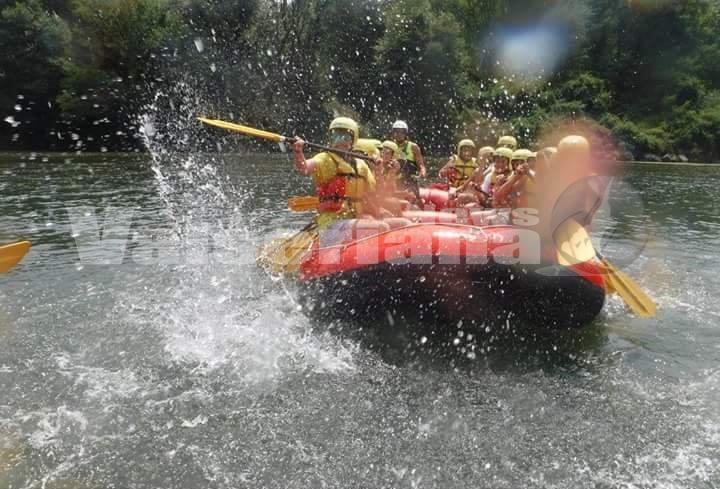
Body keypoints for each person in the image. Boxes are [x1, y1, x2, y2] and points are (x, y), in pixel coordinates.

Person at [292, 117, 382, 230]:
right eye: (336, 136)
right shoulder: (326, 159)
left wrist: (378, 171)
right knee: (381, 227)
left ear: (353, 141)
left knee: (396, 223)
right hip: (332, 222)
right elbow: (304, 168)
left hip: (353, 219)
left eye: (345, 137)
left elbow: (375, 192)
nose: (340, 141)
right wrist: (298, 152)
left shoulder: (361, 165)